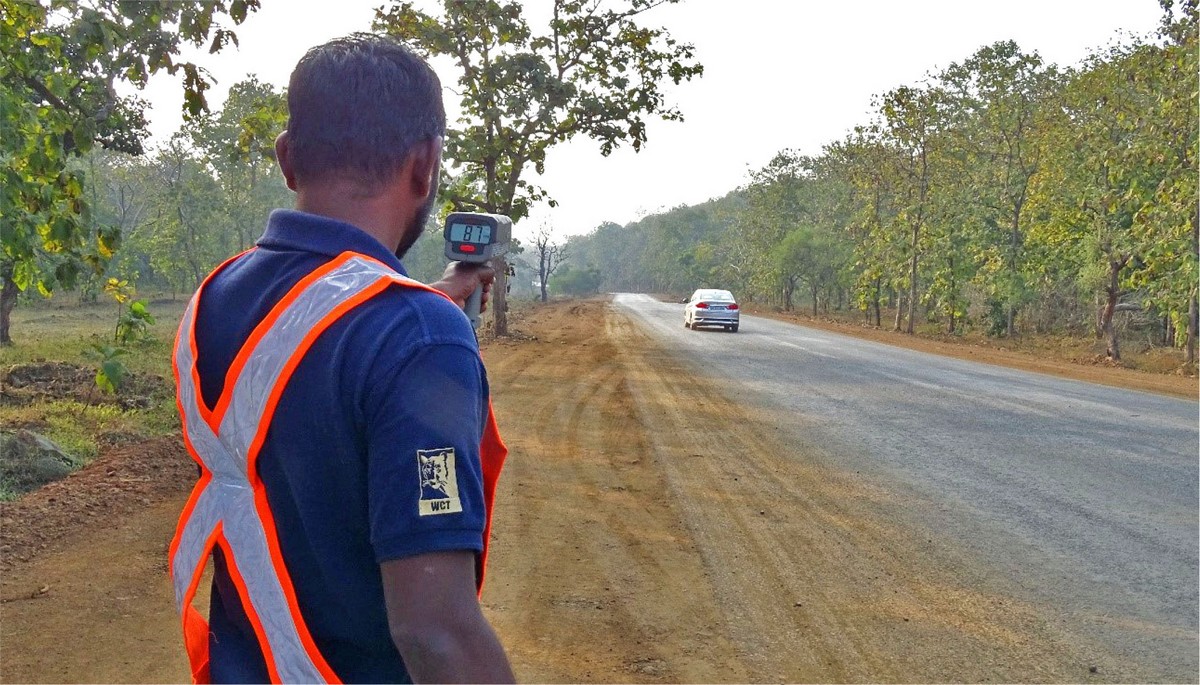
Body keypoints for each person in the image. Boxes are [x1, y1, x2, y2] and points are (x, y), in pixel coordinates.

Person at [167, 34, 514, 684]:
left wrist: (428, 301)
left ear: (287, 160)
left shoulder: (215, 298)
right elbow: (434, 630)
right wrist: (423, 320)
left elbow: (304, 347)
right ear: (425, 165)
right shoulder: (416, 334)